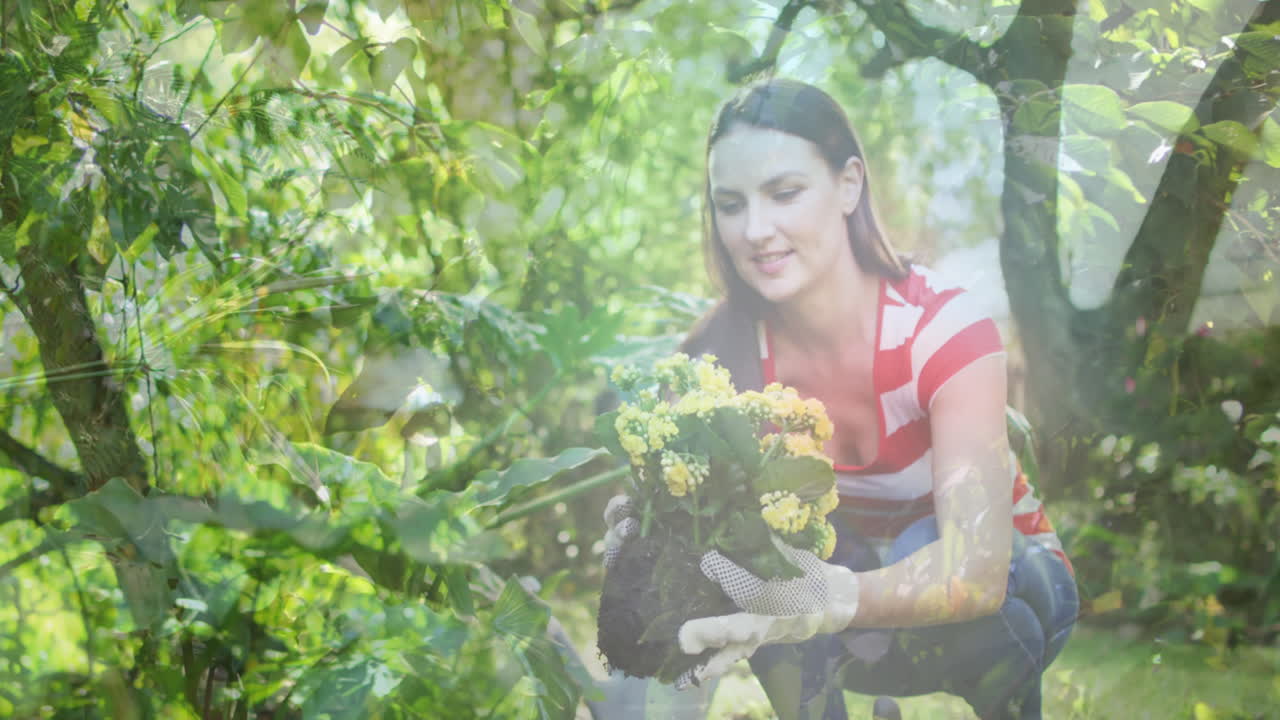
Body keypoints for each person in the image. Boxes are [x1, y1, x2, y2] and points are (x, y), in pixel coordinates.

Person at [603, 78, 1078, 720]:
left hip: (1009, 591)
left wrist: (824, 596)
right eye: (731, 204)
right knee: (760, 555)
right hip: (841, 600)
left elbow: (977, 569)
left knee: (919, 543)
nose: (756, 230)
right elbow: (712, 549)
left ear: (849, 185)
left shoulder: (942, 331)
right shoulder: (718, 358)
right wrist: (651, 530)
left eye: (784, 193)